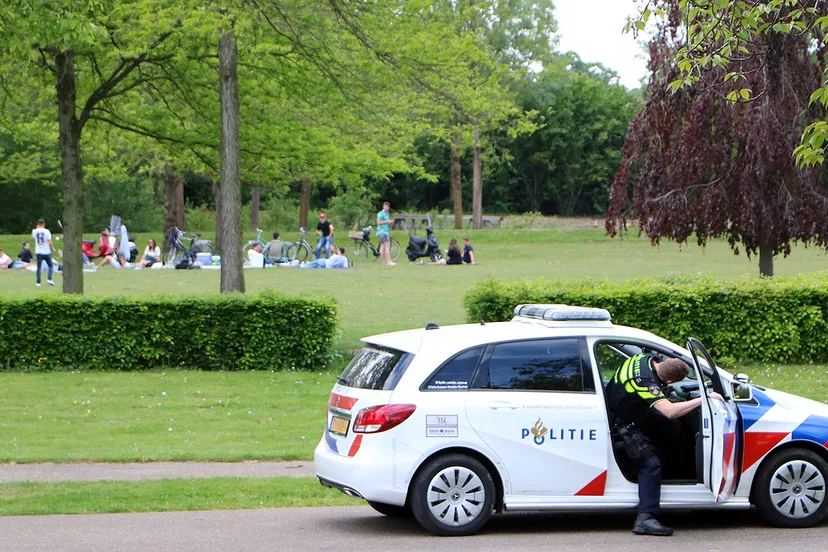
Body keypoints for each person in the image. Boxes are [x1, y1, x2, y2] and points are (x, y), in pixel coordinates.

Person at [605, 353, 723, 537]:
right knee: (651, 463)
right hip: (622, 422)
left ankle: (680, 475)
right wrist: (705, 399)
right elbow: (669, 411)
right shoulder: (645, 383)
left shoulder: (643, 357)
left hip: (633, 411)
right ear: (667, 380)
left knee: (676, 429)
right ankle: (646, 518)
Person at [32, 218, 57, 286]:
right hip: (46, 251)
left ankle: (38, 282)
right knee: (50, 265)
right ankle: (49, 279)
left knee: (39, 267)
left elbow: (34, 238)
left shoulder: (34, 231)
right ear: (44, 224)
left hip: (38, 251)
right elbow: (50, 242)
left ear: (38, 224)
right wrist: (53, 248)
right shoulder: (47, 231)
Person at [376, 201, 395, 266]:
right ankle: (389, 261)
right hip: (382, 232)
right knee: (387, 246)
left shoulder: (387, 214)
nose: (386, 208)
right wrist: (387, 221)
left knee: (382, 246)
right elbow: (379, 222)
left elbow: (386, 222)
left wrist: (389, 222)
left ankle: (383, 261)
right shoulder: (380, 214)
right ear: (383, 206)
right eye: (385, 206)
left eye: (387, 207)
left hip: (385, 231)